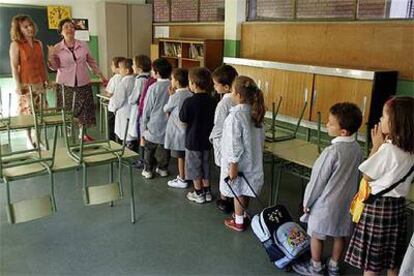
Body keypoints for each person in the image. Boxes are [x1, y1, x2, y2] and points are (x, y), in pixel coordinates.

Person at [345, 96, 414, 276]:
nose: (380, 120)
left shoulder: (388, 150)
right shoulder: (410, 152)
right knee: (393, 259)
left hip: (378, 209)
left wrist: (376, 147)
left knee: (372, 265)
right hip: (398, 208)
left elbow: (366, 176)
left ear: (396, 122)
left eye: (384, 116)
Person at [292, 103, 363, 276]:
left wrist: (307, 202)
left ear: (343, 132)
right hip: (346, 203)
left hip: (325, 204)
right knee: (340, 234)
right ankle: (334, 265)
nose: (326, 125)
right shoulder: (358, 149)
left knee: (317, 234)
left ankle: (315, 266)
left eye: (331, 123)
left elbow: (317, 181)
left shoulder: (331, 152)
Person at [48, 18, 106, 141]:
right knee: (68, 110)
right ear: (61, 32)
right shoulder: (57, 48)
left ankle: (83, 133)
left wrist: (100, 75)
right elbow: (54, 67)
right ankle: (69, 131)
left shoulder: (83, 44)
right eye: (66, 27)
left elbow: (91, 61)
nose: (70, 29)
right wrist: (51, 56)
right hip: (65, 84)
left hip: (83, 82)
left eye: (72, 27)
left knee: (84, 110)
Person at [219, 76, 265, 232]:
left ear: (238, 95)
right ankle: (242, 215)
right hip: (251, 160)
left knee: (237, 191)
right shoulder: (254, 113)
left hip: (238, 163)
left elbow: (234, 144)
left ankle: (238, 221)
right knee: (245, 190)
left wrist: (233, 166)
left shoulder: (235, 116)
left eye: (232, 91)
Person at [9, 14, 48, 149]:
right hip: (26, 85)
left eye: (30, 25)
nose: (29, 28)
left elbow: (42, 64)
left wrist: (46, 80)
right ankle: (28, 139)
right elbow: (14, 66)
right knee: (28, 114)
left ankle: (38, 138)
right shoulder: (16, 45)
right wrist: (18, 85)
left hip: (39, 84)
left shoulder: (38, 44)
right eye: (25, 27)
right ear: (19, 29)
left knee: (41, 113)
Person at [179, 67, 216, 204]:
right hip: (207, 140)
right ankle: (207, 191)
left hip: (192, 140)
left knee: (194, 166)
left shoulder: (189, 102)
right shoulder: (213, 101)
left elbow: (183, 120)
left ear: (193, 84)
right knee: (206, 165)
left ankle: (198, 192)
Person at [209, 64, 238, 213]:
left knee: (224, 173)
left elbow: (218, 125)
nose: (214, 87)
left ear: (226, 87)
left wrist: (212, 138)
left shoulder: (224, 103)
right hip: (234, 144)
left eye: (216, 84)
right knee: (233, 172)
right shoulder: (239, 99)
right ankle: (234, 201)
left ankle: (224, 200)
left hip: (223, 142)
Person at [141, 58, 172, 179]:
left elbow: (147, 108)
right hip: (168, 124)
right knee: (165, 148)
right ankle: (163, 168)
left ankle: (148, 170)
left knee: (149, 148)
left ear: (157, 72)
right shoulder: (173, 86)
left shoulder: (153, 88)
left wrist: (143, 125)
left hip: (154, 123)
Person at [164, 68, 193, 188]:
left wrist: (171, 96)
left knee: (180, 156)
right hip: (189, 130)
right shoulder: (191, 94)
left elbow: (166, 108)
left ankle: (182, 178)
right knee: (187, 156)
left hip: (177, 131)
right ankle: (188, 175)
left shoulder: (176, 96)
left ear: (176, 81)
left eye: (172, 79)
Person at [108, 58, 135, 143]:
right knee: (130, 134)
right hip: (131, 112)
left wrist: (113, 108)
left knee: (124, 135)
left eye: (120, 68)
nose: (119, 70)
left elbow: (117, 100)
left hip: (123, 112)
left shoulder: (123, 83)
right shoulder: (135, 80)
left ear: (127, 71)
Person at [128, 55, 151, 151]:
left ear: (140, 68)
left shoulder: (139, 80)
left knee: (137, 131)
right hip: (146, 108)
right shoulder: (149, 77)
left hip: (138, 109)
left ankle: (138, 155)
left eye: (133, 64)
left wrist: (130, 99)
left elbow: (134, 97)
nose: (132, 66)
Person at [105, 56, 125, 141]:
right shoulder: (126, 77)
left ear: (118, 68)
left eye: (112, 65)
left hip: (113, 107)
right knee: (121, 127)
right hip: (123, 108)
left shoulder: (115, 78)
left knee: (111, 127)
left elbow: (109, 93)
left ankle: (111, 142)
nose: (111, 67)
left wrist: (107, 93)